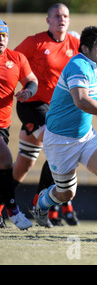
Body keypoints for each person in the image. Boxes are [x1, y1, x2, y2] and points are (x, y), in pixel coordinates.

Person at [12, 3, 97, 227]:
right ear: (48, 20)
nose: (61, 19)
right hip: (34, 106)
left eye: (65, 15)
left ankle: (22, 204)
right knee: (55, 142)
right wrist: (25, 88)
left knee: (23, 164)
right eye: (56, 16)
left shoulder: (77, 46)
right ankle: (39, 204)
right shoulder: (34, 42)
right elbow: (11, 63)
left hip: (59, 111)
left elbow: (93, 85)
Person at [34, 26, 97, 240]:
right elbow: (81, 101)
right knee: (66, 194)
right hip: (60, 140)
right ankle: (42, 202)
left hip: (85, 136)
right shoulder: (78, 64)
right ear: (86, 49)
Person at [0, 20, 37, 230]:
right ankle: (13, 210)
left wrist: (28, 91)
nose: (0, 39)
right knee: (6, 160)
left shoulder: (16, 58)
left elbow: (32, 80)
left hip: (4, 125)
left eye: (3, 35)